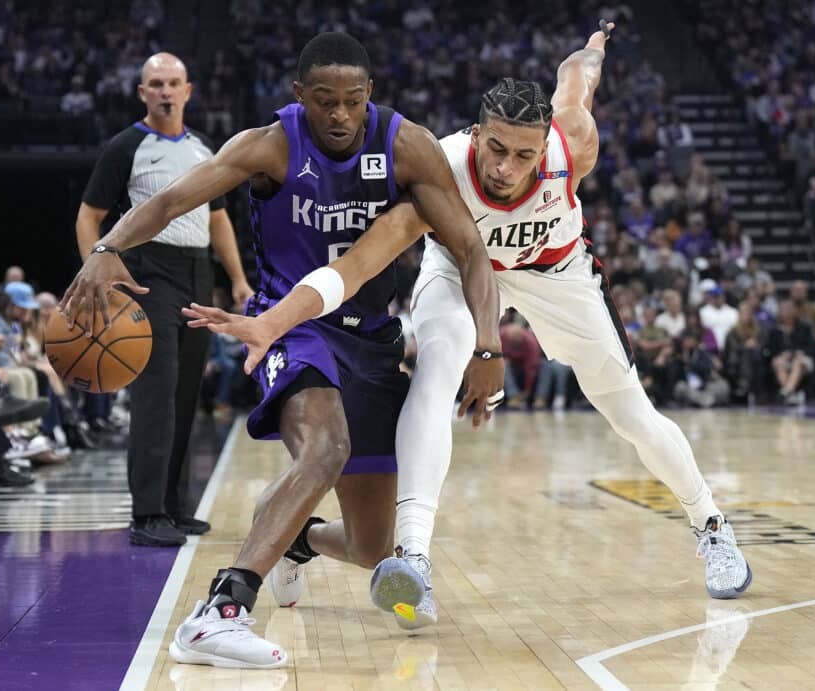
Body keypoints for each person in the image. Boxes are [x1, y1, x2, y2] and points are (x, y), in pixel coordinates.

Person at [199, 22, 753, 632]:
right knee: (435, 374)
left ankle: (711, 524)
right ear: (477, 134)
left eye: (523, 155)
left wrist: (593, 48)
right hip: (459, 268)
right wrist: (279, 319)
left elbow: (577, 80)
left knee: (633, 416)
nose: (505, 167)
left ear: (544, 149)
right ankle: (413, 558)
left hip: (556, 271)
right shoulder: (442, 164)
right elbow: (361, 262)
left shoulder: (575, 143)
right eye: (495, 148)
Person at [60, 32, 503, 667]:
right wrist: (108, 250)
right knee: (327, 448)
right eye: (324, 100)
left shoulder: (409, 145)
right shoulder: (269, 143)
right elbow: (168, 201)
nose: (340, 114)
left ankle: (298, 541)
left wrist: (488, 347)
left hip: (373, 341)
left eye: (352, 100)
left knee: (375, 550)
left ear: (369, 95)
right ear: (301, 96)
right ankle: (221, 611)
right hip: (290, 327)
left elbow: (469, 249)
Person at [74, 52, 255, 547]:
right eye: (156, 83)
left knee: (186, 395)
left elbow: (219, 220)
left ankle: (174, 505)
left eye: (174, 82)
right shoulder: (125, 146)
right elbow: (89, 216)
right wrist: (100, 271)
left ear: (189, 90)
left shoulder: (204, 150)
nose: (165, 91)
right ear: (142, 92)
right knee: (156, 395)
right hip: (147, 271)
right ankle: (146, 513)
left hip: (198, 272)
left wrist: (237, 280)